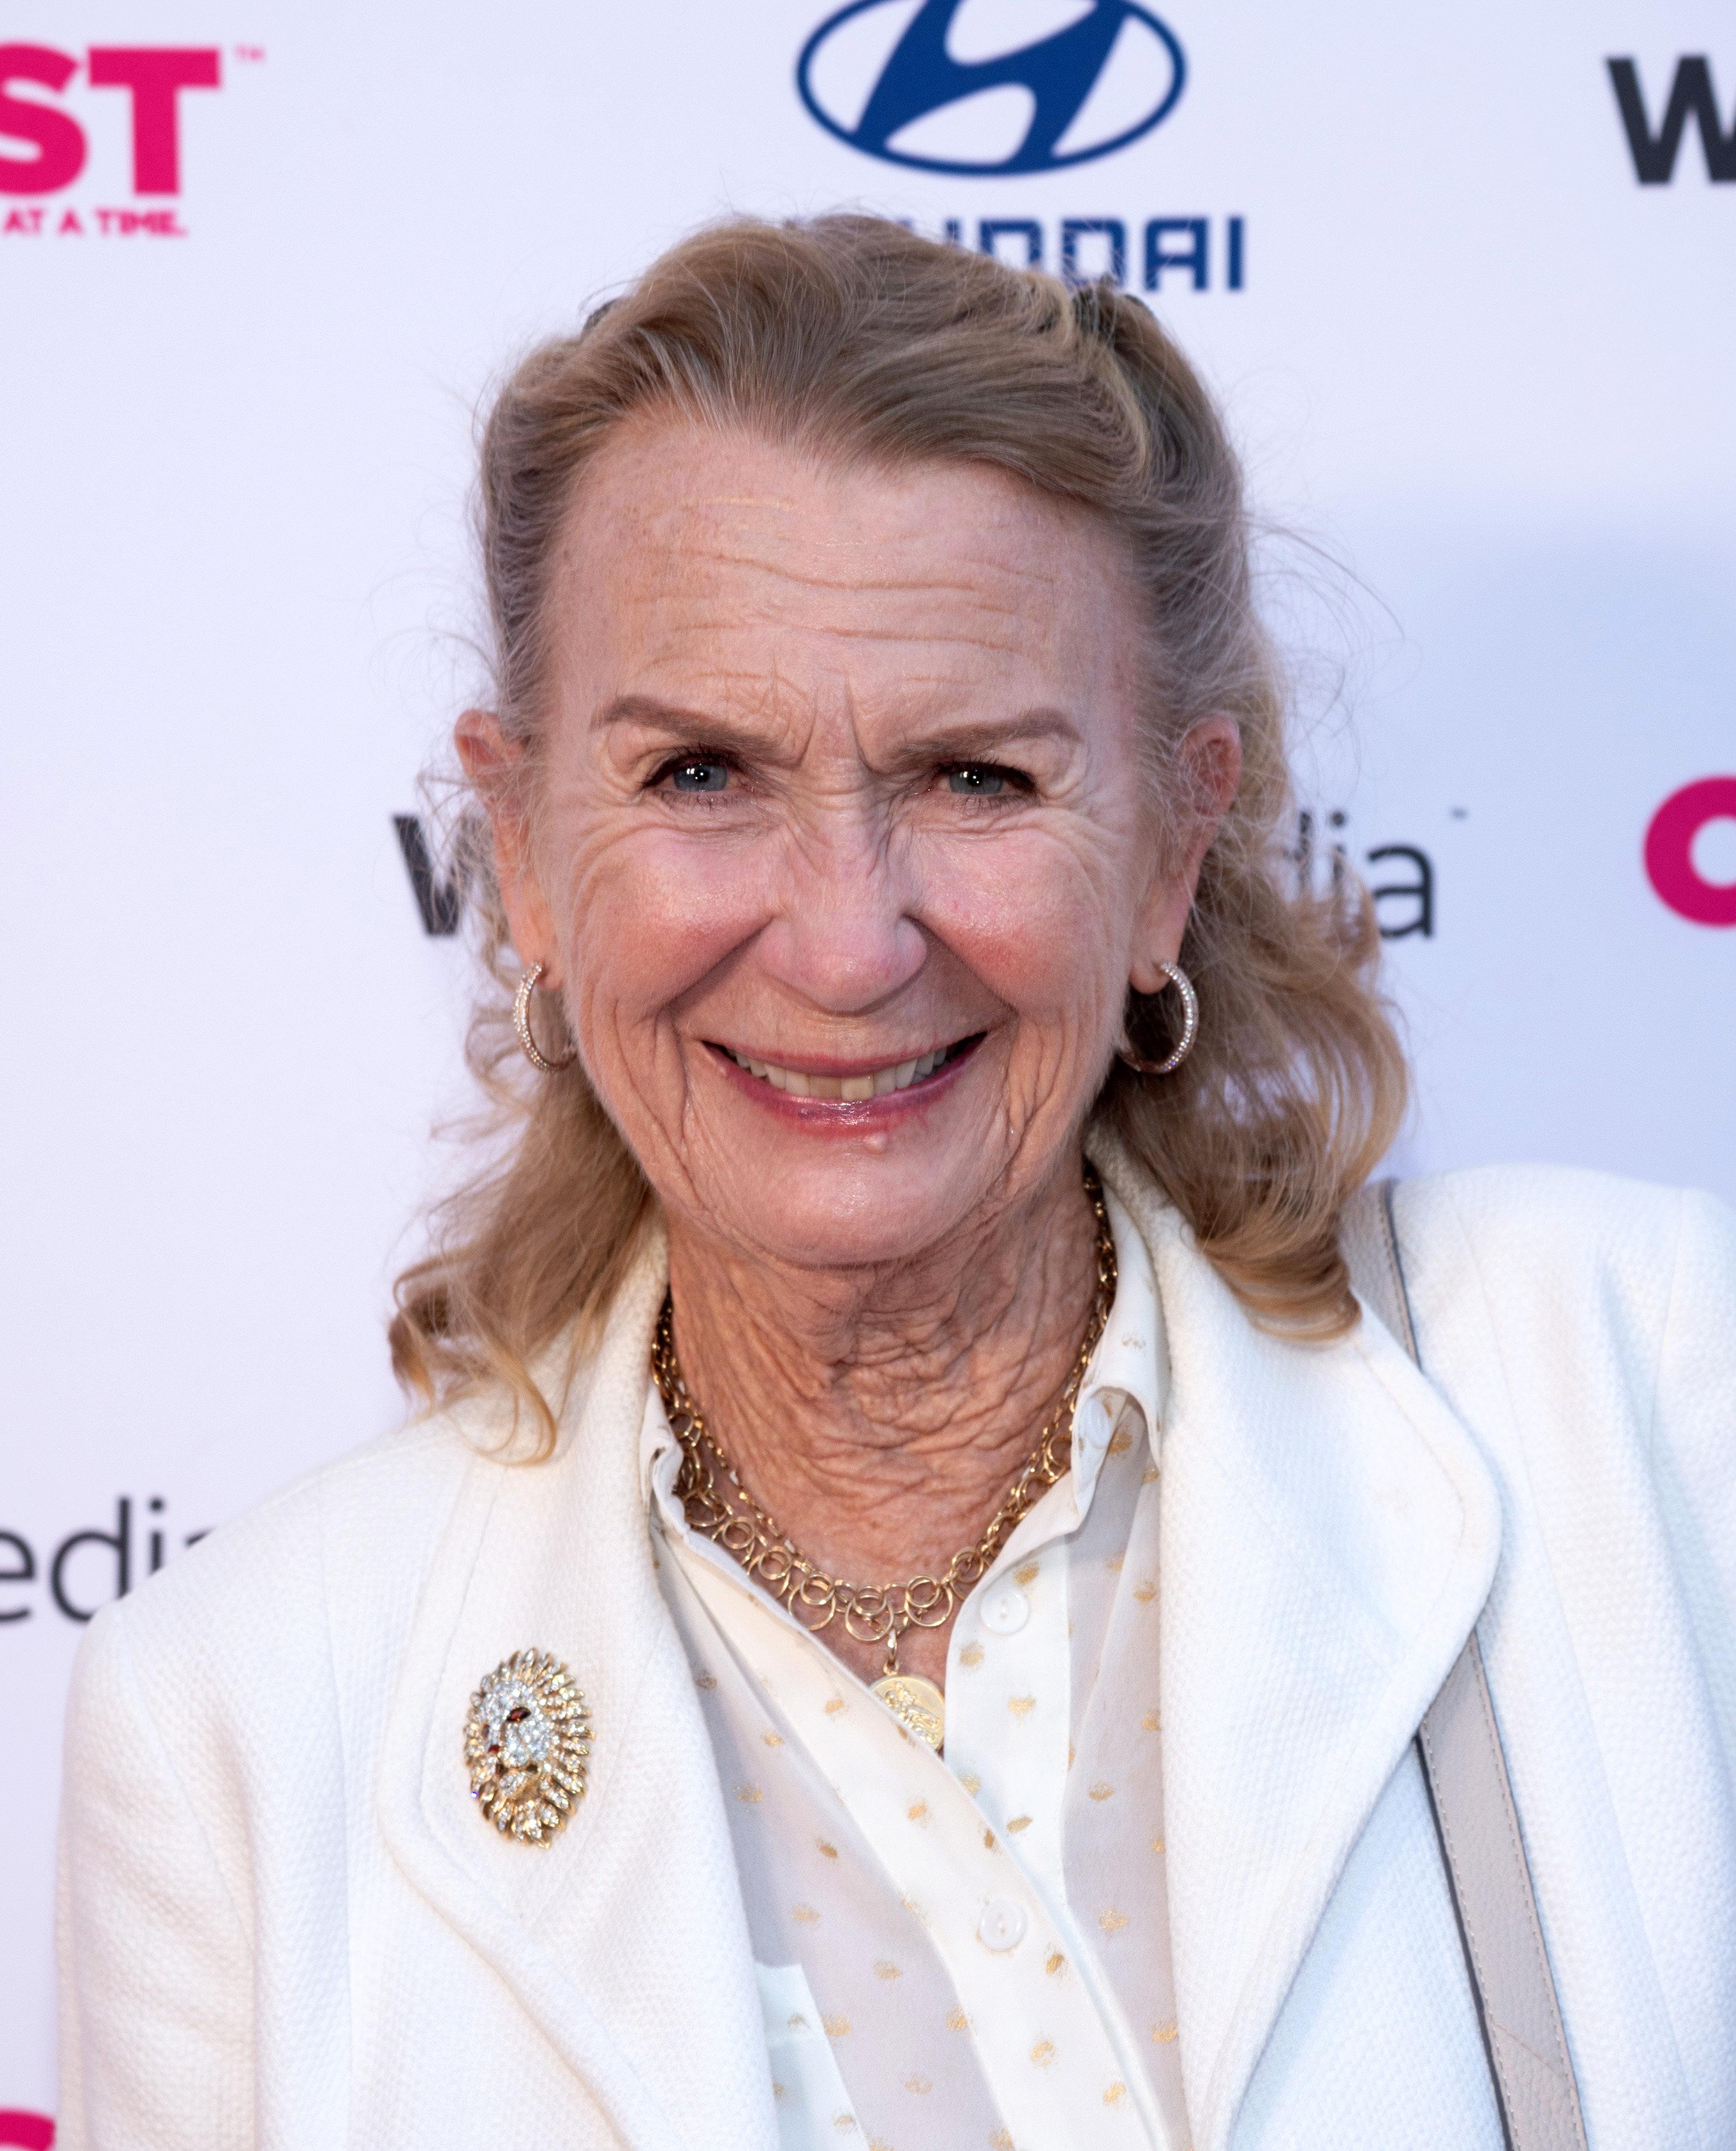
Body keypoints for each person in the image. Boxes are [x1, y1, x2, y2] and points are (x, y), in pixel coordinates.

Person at [55, 217, 1734, 2151]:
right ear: (518, 848)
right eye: (699, 773)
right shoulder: (239, 1727)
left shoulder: (1653, 1397)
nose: (849, 942)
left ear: (1176, 849)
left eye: (978, 779)